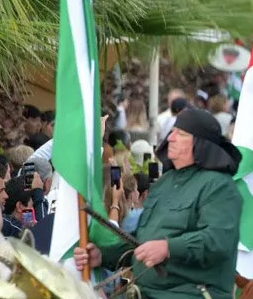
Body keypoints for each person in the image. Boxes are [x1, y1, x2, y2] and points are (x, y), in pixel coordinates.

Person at [74, 108, 243, 299]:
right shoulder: (165, 182)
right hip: (143, 292)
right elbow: (142, 241)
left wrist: (168, 247)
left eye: (181, 134)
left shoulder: (220, 186)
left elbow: (217, 241)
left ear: (200, 144)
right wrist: (103, 256)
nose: (171, 138)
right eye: (173, 131)